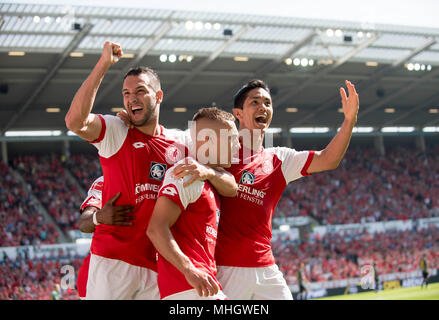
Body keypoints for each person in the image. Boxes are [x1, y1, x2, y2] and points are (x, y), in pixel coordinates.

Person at [65, 41, 237, 300]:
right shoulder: (116, 130)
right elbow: (74, 121)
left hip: (157, 266)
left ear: (158, 96)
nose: (131, 98)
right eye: (126, 93)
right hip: (114, 261)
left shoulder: (183, 143)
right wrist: (104, 65)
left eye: (140, 91)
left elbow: (228, 178)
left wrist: (209, 172)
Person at [205, 78, 360, 300]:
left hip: (267, 269)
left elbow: (328, 159)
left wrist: (349, 120)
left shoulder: (279, 158)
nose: (263, 108)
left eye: (267, 103)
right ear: (237, 114)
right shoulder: (219, 153)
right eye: (255, 102)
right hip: (226, 269)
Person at [147, 107, 240, 300]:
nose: (238, 145)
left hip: (200, 287)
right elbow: (156, 228)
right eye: (231, 139)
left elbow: (233, 187)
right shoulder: (185, 172)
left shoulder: (210, 179)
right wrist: (190, 270)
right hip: (187, 289)